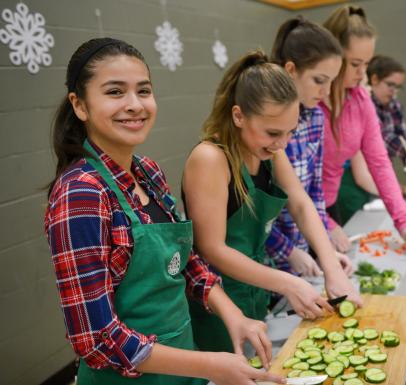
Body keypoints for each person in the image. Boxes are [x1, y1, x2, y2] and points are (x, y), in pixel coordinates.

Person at [44, 38, 284, 385]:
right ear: (79, 105)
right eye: (114, 92)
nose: (134, 105)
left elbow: (185, 263)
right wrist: (212, 366)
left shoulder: (148, 172)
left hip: (181, 372)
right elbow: (96, 339)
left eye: (143, 91)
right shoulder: (81, 194)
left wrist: (234, 316)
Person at [182, 50, 362, 353]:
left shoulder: (270, 152)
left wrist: (331, 266)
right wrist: (289, 283)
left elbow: (301, 204)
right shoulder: (210, 158)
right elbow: (212, 248)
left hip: (256, 293)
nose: (283, 144)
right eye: (273, 132)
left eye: (290, 132)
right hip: (218, 306)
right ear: (238, 115)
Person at [320, 5, 406, 254]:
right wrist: (325, 223)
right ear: (332, 56)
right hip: (300, 215)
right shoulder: (311, 104)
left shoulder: (361, 101)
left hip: (328, 207)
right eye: (355, 64)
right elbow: (291, 184)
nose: (362, 73)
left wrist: (404, 220)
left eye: (366, 64)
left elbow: (379, 162)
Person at [265, 16, 354, 277]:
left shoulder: (315, 116)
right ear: (291, 70)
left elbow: (314, 194)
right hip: (267, 262)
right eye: (319, 80)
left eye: (331, 82)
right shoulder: (264, 122)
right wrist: (288, 251)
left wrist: (323, 249)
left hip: (302, 255)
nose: (327, 91)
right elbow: (253, 211)